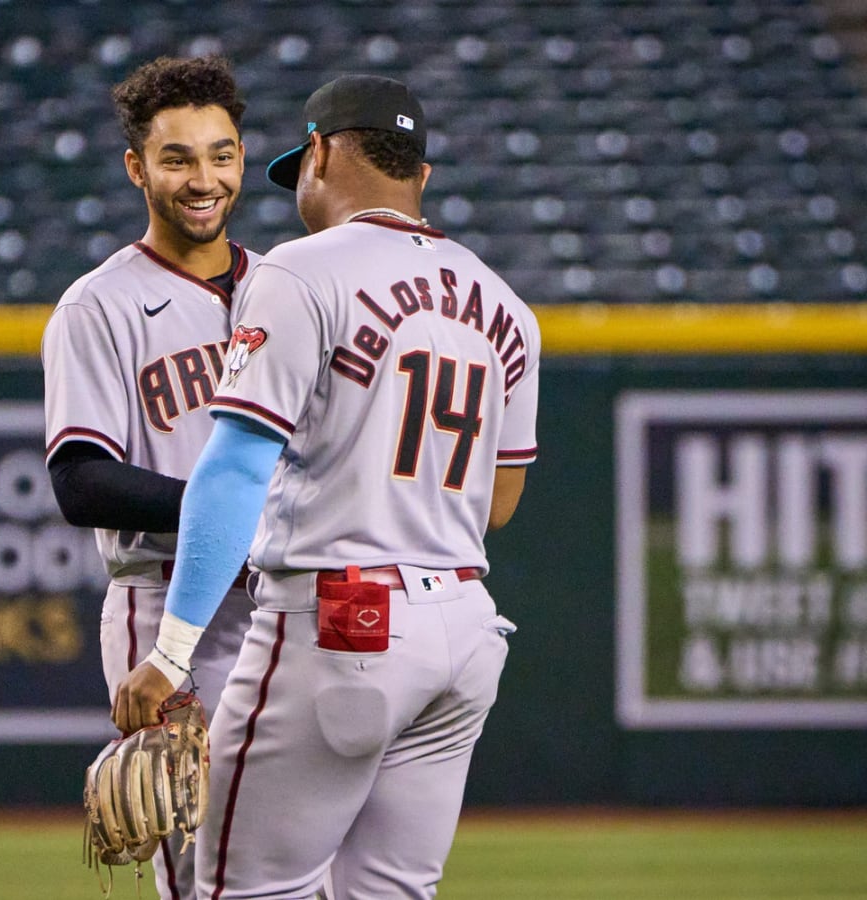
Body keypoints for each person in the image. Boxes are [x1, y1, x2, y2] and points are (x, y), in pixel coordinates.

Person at [113, 74, 540, 899]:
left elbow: (233, 467)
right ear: (422, 175)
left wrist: (170, 655)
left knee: (240, 889)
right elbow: (499, 503)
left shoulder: (301, 271)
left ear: (318, 153)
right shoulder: (505, 303)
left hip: (344, 625)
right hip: (464, 635)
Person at [40, 55, 261, 900]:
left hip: (287, 608)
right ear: (138, 168)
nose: (204, 178)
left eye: (222, 153)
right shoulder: (99, 305)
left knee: (293, 864)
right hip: (167, 608)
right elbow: (81, 479)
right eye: (178, 158)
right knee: (204, 877)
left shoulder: (287, 287)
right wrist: (228, 516)